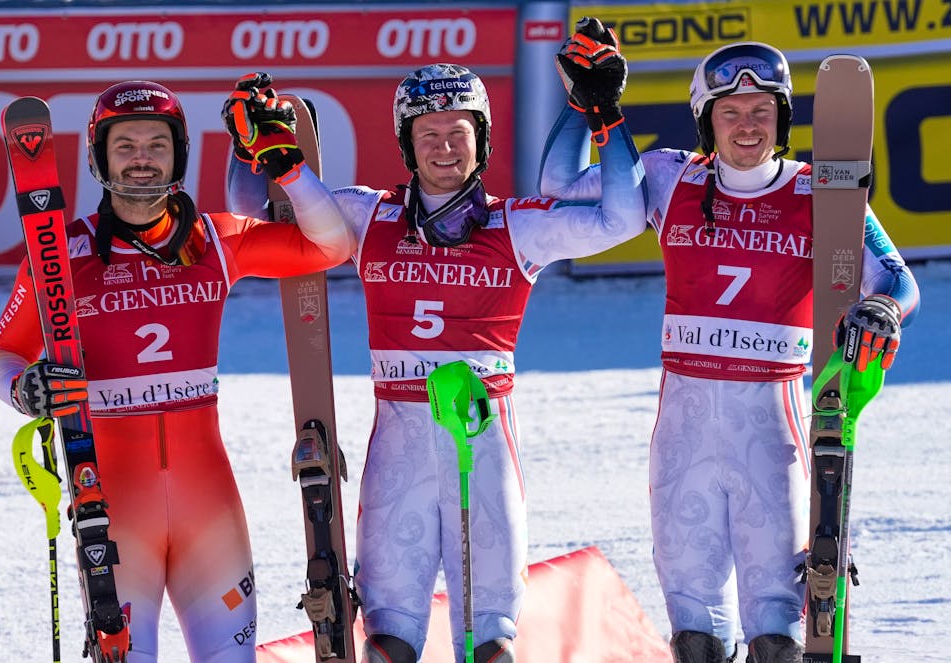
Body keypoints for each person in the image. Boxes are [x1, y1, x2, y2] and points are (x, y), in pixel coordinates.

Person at [226, 60, 646, 662]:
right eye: (428, 133)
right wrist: (248, 148)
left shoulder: (518, 225)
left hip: (484, 445)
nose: (445, 147)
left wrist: (598, 114)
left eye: (459, 132)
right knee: (388, 641)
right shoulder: (370, 215)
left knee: (490, 643)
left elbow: (622, 219)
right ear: (406, 144)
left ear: (482, 138)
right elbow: (258, 222)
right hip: (400, 448)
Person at [539, 25, 921, 663]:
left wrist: (882, 307)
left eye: (763, 112)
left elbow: (899, 281)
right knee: (695, 640)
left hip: (771, 433)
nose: (748, 126)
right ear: (704, 119)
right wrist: (587, 105)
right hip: (682, 437)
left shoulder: (817, 190)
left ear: (784, 118)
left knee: (778, 638)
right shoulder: (666, 176)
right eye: (732, 112)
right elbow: (559, 183)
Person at [0, 80, 355, 662]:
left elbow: (332, 245)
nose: (140, 158)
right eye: (124, 144)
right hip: (111, 508)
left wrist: (285, 167)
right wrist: (24, 389)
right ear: (99, 157)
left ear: (178, 155)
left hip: (208, 508)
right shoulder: (61, 254)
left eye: (156, 144)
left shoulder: (214, 239)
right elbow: (1, 352)